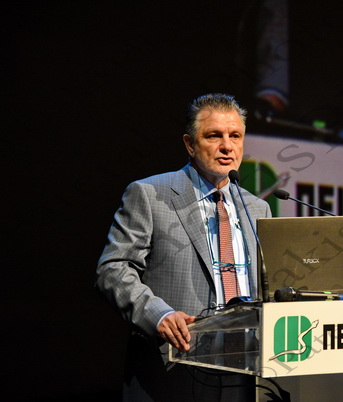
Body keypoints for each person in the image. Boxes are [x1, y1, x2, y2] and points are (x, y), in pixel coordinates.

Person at [96, 93, 272, 401]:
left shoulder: (258, 208)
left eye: (235, 136)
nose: (227, 146)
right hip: (175, 369)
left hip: (245, 370)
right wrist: (159, 315)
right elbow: (113, 269)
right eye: (214, 136)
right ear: (190, 144)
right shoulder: (150, 194)